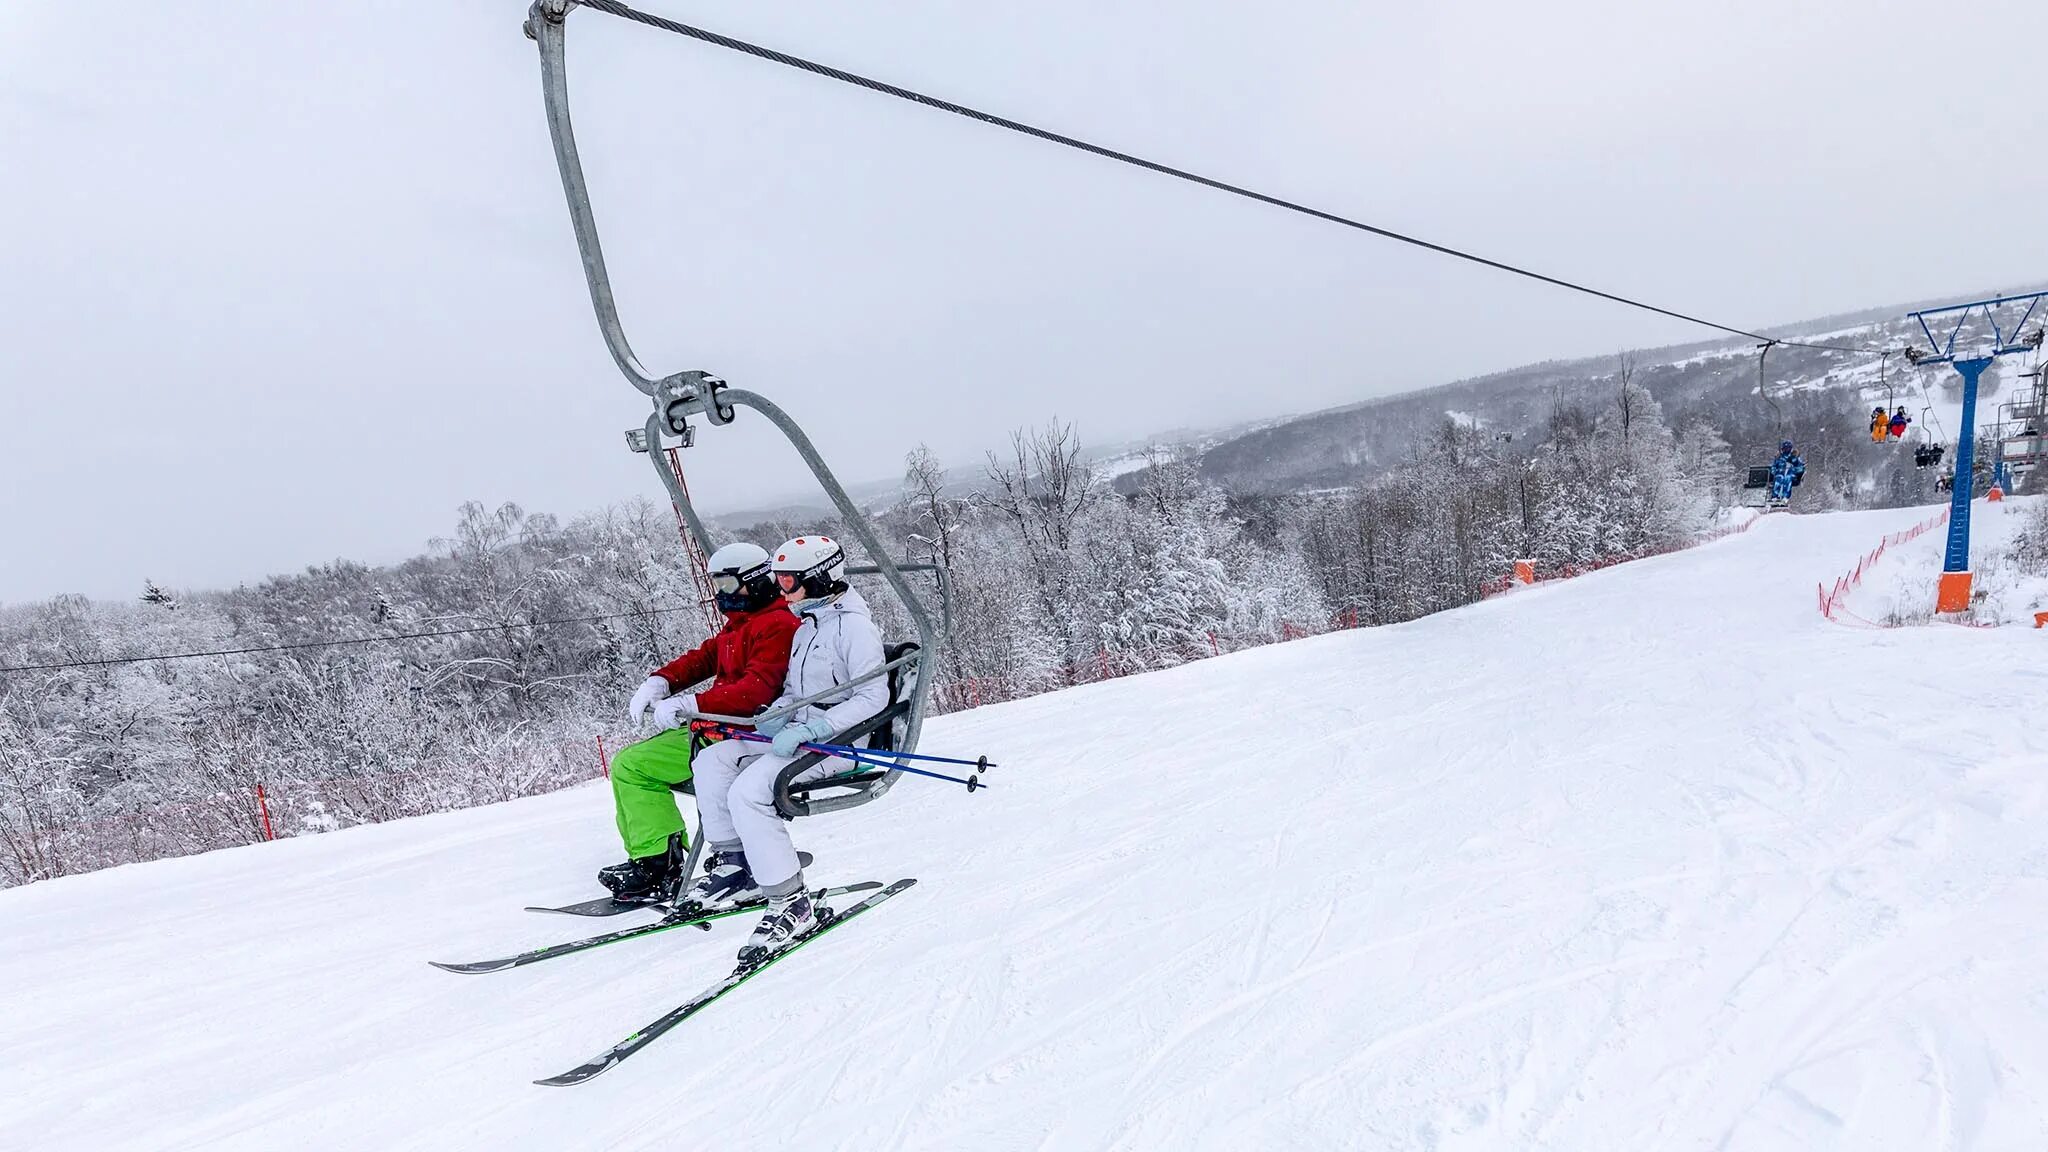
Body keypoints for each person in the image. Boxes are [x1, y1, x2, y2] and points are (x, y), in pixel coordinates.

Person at [680, 534, 889, 965]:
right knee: (713, 760)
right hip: (801, 731)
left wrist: (817, 725)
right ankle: (737, 863)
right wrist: (776, 713)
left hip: (840, 742)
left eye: (789, 581)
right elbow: (795, 689)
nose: (782, 589)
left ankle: (791, 902)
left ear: (819, 578)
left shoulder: (854, 628)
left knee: (750, 792)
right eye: (778, 580)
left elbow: (873, 698)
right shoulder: (808, 625)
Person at [596, 542, 799, 901]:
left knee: (634, 767)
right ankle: (655, 858)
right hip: (714, 725)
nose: (722, 594)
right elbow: (706, 657)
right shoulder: (742, 624)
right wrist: (662, 680)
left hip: (740, 732)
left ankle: (659, 865)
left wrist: (692, 703)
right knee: (628, 764)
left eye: (727, 584)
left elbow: (756, 691)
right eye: (717, 585)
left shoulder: (777, 625)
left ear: (754, 581)